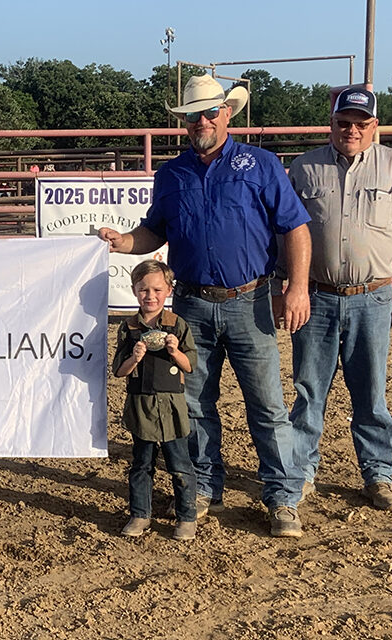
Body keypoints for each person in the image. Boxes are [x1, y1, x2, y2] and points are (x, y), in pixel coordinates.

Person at [98, 74, 312, 538]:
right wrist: (123, 242)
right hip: (192, 302)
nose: (202, 122)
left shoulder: (260, 164)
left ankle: (282, 496)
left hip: (250, 300)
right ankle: (203, 486)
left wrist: (297, 287)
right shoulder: (171, 174)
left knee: (267, 405)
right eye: (193, 115)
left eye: (210, 112)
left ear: (227, 113)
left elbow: (295, 227)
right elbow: (155, 231)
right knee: (194, 403)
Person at [283, 87, 392, 510]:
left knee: (371, 392)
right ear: (332, 123)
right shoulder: (303, 167)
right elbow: (284, 232)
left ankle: (378, 474)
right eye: (344, 122)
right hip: (315, 297)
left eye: (361, 123)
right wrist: (282, 285)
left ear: (375, 126)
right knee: (308, 390)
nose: (351, 130)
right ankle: (300, 472)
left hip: (372, 297)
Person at [113, 260, 198, 541]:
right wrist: (134, 358)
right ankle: (140, 514)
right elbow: (119, 371)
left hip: (172, 407)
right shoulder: (128, 327)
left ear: (169, 290)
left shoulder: (177, 324)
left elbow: (190, 365)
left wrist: (175, 352)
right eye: (143, 290)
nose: (150, 296)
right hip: (141, 406)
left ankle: (186, 517)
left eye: (157, 290)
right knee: (141, 464)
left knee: (180, 465)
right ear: (134, 291)